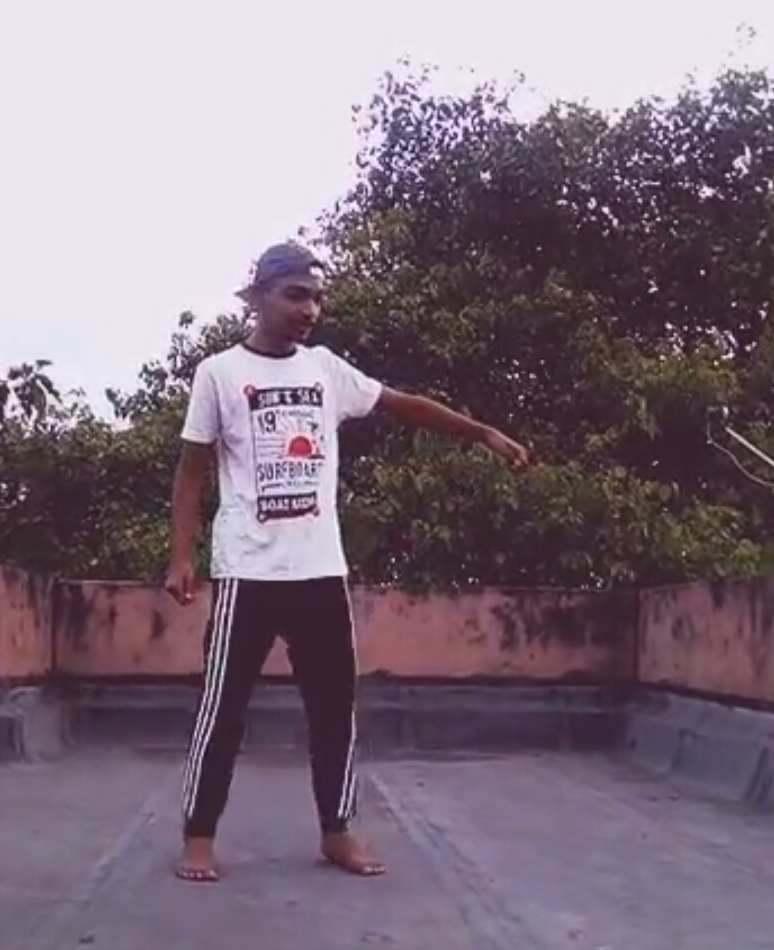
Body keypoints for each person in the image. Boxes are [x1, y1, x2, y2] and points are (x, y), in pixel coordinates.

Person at [163, 241, 531, 883]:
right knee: (222, 709)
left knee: (334, 709)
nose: (310, 309)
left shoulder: (325, 370)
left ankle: (337, 831)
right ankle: (199, 836)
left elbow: (401, 402)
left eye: (316, 298)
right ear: (259, 297)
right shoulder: (219, 373)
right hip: (248, 571)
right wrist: (181, 556)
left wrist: (479, 433)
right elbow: (191, 472)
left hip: (320, 573)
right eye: (296, 295)